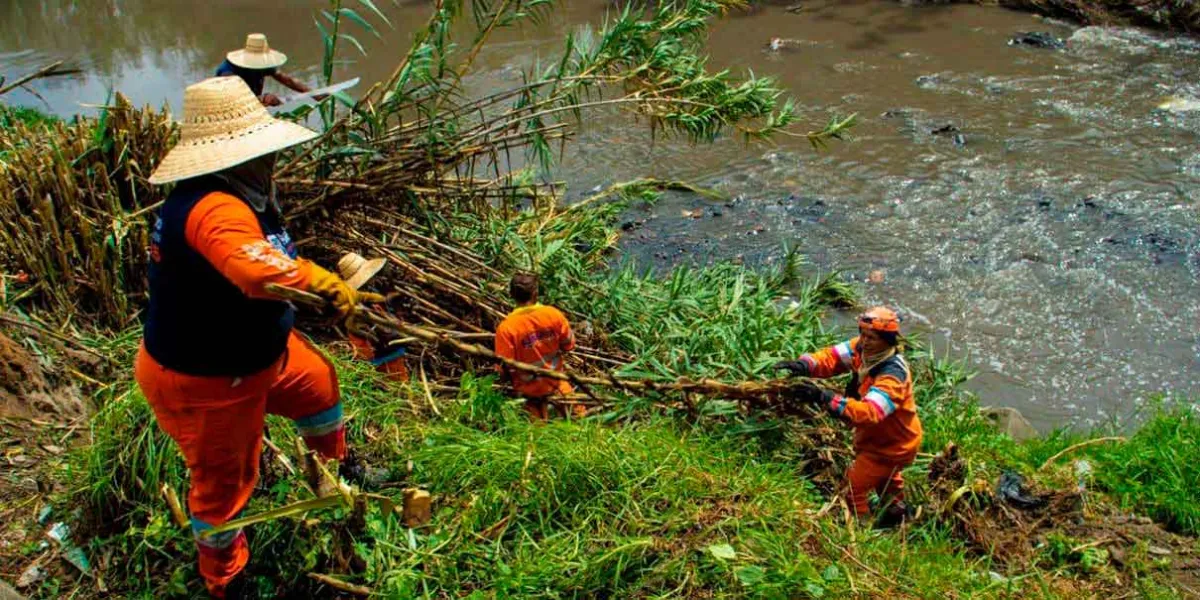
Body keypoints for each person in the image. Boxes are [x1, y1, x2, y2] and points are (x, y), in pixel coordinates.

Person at [136, 76, 382, 598]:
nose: (272, 157)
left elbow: (273, 256)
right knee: (223, 487)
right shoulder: (212, 208)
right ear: (234, 155)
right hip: (210, 377)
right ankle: (228, 581)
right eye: (263, 148)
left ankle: (337, 474)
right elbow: (255, 271)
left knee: (319, 386)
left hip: (261, 354)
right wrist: (320, 283)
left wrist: (325, 292)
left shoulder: (244, 194)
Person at [775, 306, 922, 525]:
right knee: (887, 481)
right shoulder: (861, 349)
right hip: (880, 440)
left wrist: (825, 398)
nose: (864, 340)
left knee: (852, 490)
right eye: (862, 334)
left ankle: (863, 527)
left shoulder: (893, 376)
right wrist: (805, 365)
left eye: (871, 337)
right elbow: (832, 358)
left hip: (890, 446)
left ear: (887, 340)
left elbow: (870, 412)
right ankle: (899, 516)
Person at [493, 273, 585, 420]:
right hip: (558, 387)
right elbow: (569, 344)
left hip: (529, 396)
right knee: (581, 423)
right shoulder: (553, 315)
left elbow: (503, 368)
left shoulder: (506, 328)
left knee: (539, 438)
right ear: (536, 293)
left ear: (511, 294)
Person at [338, 252, 409, 381]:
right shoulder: (357, 312)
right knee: (399, 388)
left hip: (390, 355)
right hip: (385, 360)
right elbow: (363, 349)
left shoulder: (371, 300)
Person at [216, 33, 313, 107]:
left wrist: (312, 93)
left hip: (253, 107)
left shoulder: (261, 65)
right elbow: (233, 100)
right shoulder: (228, 73)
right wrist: (263, 99)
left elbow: (287, 80)